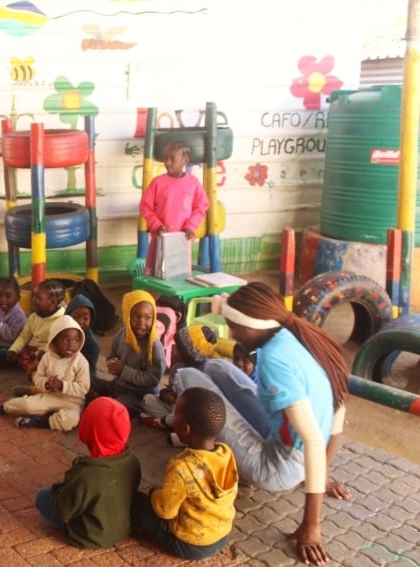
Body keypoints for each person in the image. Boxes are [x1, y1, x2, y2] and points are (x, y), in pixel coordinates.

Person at [178, 282, 351, 565]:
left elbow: (314, 441)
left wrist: (311, 525)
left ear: (252, 324)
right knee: (216, 366)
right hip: (287, 444)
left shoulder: (274, 360)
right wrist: (319, 473)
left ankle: (193, 431)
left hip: (276, 466)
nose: (232, 334)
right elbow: (338, 409)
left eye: (234, 326)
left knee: (188, 375)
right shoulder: (295, 335)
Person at [131, 387, 238, 560]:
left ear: (185, 429)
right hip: (222, 535)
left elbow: (165, 511)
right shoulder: (226, 453)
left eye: (176, 415)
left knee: (138, 501)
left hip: (190, 545)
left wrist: (154, 494)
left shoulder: (182, 467)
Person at [34, 397, 141, 549]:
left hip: (87, 536)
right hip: (122, 529)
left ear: (89, 428)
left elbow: (64, 510)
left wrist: (59, 488)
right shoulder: (132, 461)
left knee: (42, 496)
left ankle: (54, 524)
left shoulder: (86, 473)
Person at [0, 315, 90, 431]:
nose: (71, 345)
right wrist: (45, 384)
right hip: (49, 396)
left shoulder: (81, 362)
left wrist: (62, 385)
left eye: (76, 340)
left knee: (70, 421)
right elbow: (38, 377)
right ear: (54, 340)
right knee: (27, 405)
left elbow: (84, 387)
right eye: (65, 340)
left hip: (72, 402)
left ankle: (40, 422)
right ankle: (5, 408)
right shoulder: (47, 357)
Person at [86, 290, 166, 417]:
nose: (141, 322)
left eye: (147, 317)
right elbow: (113, 355)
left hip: (139, 396)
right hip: (118, 386)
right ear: (127, 316)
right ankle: (98, 402)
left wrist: (123, 370)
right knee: (86, 381)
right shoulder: (122, 334)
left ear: (154, 317)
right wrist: (112, 363)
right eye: (135, 317)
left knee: (112, 407)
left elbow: (153, 380)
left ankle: (102, 404)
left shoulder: (155, 347)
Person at [138, 140, 209, 277]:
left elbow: (201, 206)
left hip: (182, 238)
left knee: (180, 274)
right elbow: (145, 206)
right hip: (160, 237)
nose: (167, 162)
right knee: (155, 273)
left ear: (185, 160)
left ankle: (178, 298)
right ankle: (152, 298)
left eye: (172, 158)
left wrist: (191, 226)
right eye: (166, 158)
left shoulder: (193, 183)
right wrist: (156, 225)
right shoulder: (157, 182)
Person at [140, 325, 220, 431]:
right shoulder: (178, 366)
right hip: (177, 409)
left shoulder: (202, 374)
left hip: (194, 414)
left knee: (185, 414)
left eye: (177, 347)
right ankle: (179, 427)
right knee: (147, 400)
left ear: (187, 354)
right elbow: (171, 387)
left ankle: (163, 423)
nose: (172, 348)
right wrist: (166, 394)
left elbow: (199, 407)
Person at [6, 279, 66, 379]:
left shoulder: (62, 320)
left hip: (52, 354)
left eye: (38, 298)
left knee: (51, 362)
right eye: (34, 296)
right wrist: (13, 350)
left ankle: (37, 375)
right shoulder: (34, 317)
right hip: (36, 352)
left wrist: (45, 353)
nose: (33, 300)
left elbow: (59, 345)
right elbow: (24, 336)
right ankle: (35, 371)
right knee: (18, 352)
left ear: (52, 302)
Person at [66, 293, 100, 380]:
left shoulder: (93, 345)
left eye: (85, 318)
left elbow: (87, 370)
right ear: (67, 316)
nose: (80, 321)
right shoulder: (61, 335)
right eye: (76, 317)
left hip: (84, 378)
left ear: (91, 319)